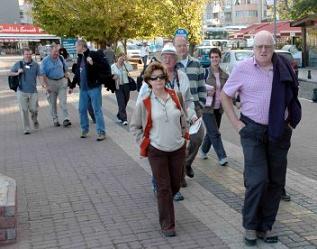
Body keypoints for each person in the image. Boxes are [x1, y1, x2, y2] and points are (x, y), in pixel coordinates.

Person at [220, 30, 301, 246]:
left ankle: (267, 225)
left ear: (273, 47)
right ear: (253, 48)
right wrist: (237, 124)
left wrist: (290, 122)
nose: (263, 50)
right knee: (257, 180)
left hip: (278, 132)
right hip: (252, 131)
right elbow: (225, 95)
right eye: (259, 46)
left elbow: (293, 94)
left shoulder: (283, 67)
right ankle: (250, 226)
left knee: (275, 181)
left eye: (267, 46)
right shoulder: (243, 68)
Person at [130, 62, 188, 237]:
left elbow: (183, 118)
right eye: (154, 78)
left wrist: (185, 136)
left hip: (177, 147)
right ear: (148, 81)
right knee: (163, 188)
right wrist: (145, 143)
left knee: (175, 185)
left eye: (161, 77)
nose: (158, 81)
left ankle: (167, 204)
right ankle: (168, 224)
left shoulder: (176, 96)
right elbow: (135, 126)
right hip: (157, 150)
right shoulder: (145, 102)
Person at [137, 43, 196, 201]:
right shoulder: (151, 78)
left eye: (171, 56)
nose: (168, 59)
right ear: (161, 59)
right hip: (157, 130)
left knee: (174, 163)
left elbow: (188, 101)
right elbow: (140, 104)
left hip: (176, 128)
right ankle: (161, 187)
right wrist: (143, 139)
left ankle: (172, 186)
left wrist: (192, 115)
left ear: (176, 59)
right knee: (160, 166)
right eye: (165, 57)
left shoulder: (182, 77)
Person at [174, 35, 206, 179]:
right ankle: (179, 171)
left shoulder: (196, 64)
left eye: (184, 45)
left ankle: (186, 163)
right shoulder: (172, 65)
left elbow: (202, 86)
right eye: (179, 45)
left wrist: (201, 104)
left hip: (194, 107)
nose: (182, 48)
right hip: (177, 108)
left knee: (197, 137)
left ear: (188, 46)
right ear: (175, 47)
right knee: (178, 139)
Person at [71, 39, 108, 141]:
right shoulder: (79, 58)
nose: (75, 48)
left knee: (97, 110)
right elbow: (78, 73)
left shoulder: (93, 54)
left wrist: (92, 64)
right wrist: (72, 85)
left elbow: (103, 67)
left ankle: (101, 132)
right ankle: (84, 129)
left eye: (76, 46)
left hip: (94, 87)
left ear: (81, 46)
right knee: (81, 109)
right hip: (83, 89)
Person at [199, 47, 228, 166]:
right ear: (210, 59)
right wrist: (206, 92)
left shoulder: (225, 75)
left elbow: (228, 91)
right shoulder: (204, 72)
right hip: (207, 108)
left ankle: (203, 150)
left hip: (219, 108)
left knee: (212, 132)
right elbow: (199, 88)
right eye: (212, 57)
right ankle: (222, 157)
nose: (214, 59)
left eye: (216, 57)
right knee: (215, 133)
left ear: (220, 58)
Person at [10, 48, 41, 134]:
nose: (28, 56)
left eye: (29, 54)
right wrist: (17, 73)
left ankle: (34, 119)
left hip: (33, 91)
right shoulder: (19, 64)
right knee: (23, 110)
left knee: (34, 109)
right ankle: (26, 128)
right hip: (21, 91)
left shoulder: (35, 65)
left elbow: (40, 75)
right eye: (26, 54)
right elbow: (10, 73)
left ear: (31, 54)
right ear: (23, 55)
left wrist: (43, 84)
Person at [40, 44, 72, 128]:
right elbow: (42, 74)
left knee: (63, 102)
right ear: (50, 52)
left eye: (57, 51)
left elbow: (65, 69)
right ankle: (55, 119)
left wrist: (66, 76)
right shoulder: (45, 61)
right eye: (54, 52)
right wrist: (46, 86)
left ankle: (66, 118)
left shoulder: (61, 58)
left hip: (61, 82)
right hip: (50, 83)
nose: (56, 53)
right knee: (52, 103)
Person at [111, 52, 133, 126]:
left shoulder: (125, 65)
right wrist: (113, 77)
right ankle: (124, 119)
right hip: (118, 86)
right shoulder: (113, 66)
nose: (121, 60)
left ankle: (119, 114)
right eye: (120, 58)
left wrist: (126, 61)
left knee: (126, 100)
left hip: (126, 85)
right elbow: (110, 76)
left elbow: (131, 69)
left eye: (123, 58)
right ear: (117, 58)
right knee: (121, 102)